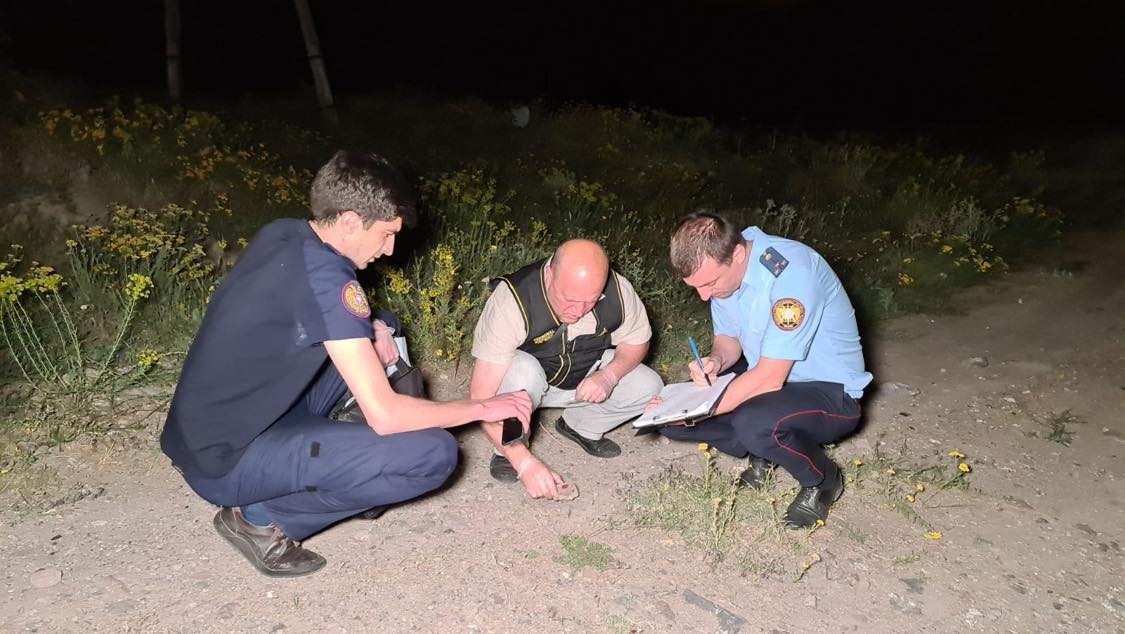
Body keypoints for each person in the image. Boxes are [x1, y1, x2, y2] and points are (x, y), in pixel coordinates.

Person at [160, 151, 532, 578]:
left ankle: (337, 450)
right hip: (223, 463)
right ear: (351, 221)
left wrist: (373, 326)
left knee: (384, 326)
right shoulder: (329, 281)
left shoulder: (286, 233)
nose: (390, 249)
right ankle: (260, 519)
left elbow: (303, 312)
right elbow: (388, 416)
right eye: (386, 234)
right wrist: (484, 406)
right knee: (433, 453)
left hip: (204, 431)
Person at [661, 212, 872, 528]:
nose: (703, 295)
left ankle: (823, 481)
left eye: (709, 284)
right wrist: (715, 361)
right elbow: (728, 340)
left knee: (750, 421)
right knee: (670, 418)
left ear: (738, 254)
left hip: (829, 392)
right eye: (695, 287)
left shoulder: (792, 274)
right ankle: (765, 452)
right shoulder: (725, 270)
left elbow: (769, 378)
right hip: (774, 378)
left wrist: (701, 409)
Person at [468, 239, 663, 499]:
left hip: (583, 377)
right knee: (522, 371)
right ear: (550, 275)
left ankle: (580, 425)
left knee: (649, 386)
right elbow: (481, 398)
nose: (578, 311)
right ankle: (508, 447)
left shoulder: (618, 289)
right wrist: (524, 463)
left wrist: (608, 376)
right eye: (569, 299)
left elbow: (637, 342)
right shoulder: (513, 299)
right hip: (527, 386)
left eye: (591, 301)